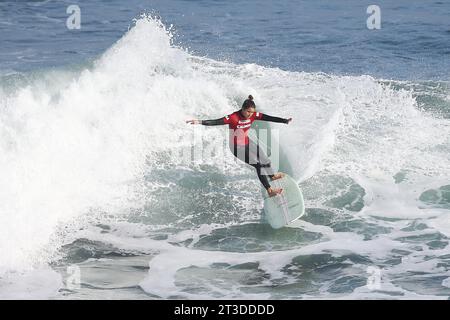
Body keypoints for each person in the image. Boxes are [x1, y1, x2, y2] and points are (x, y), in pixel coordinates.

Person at [186, 95, 292, 197]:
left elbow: (268, 118)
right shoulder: (233, 117)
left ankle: (272, 176)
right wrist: (199, 121)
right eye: (248, 111)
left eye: (252, 112)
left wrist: (284, 120)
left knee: (264, 158)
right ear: (243, 109)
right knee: (258, 165)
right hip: (237, 147)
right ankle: (269, 190)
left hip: (247, 142)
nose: (250, 114)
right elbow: (216, 121)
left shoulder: (254, 115)